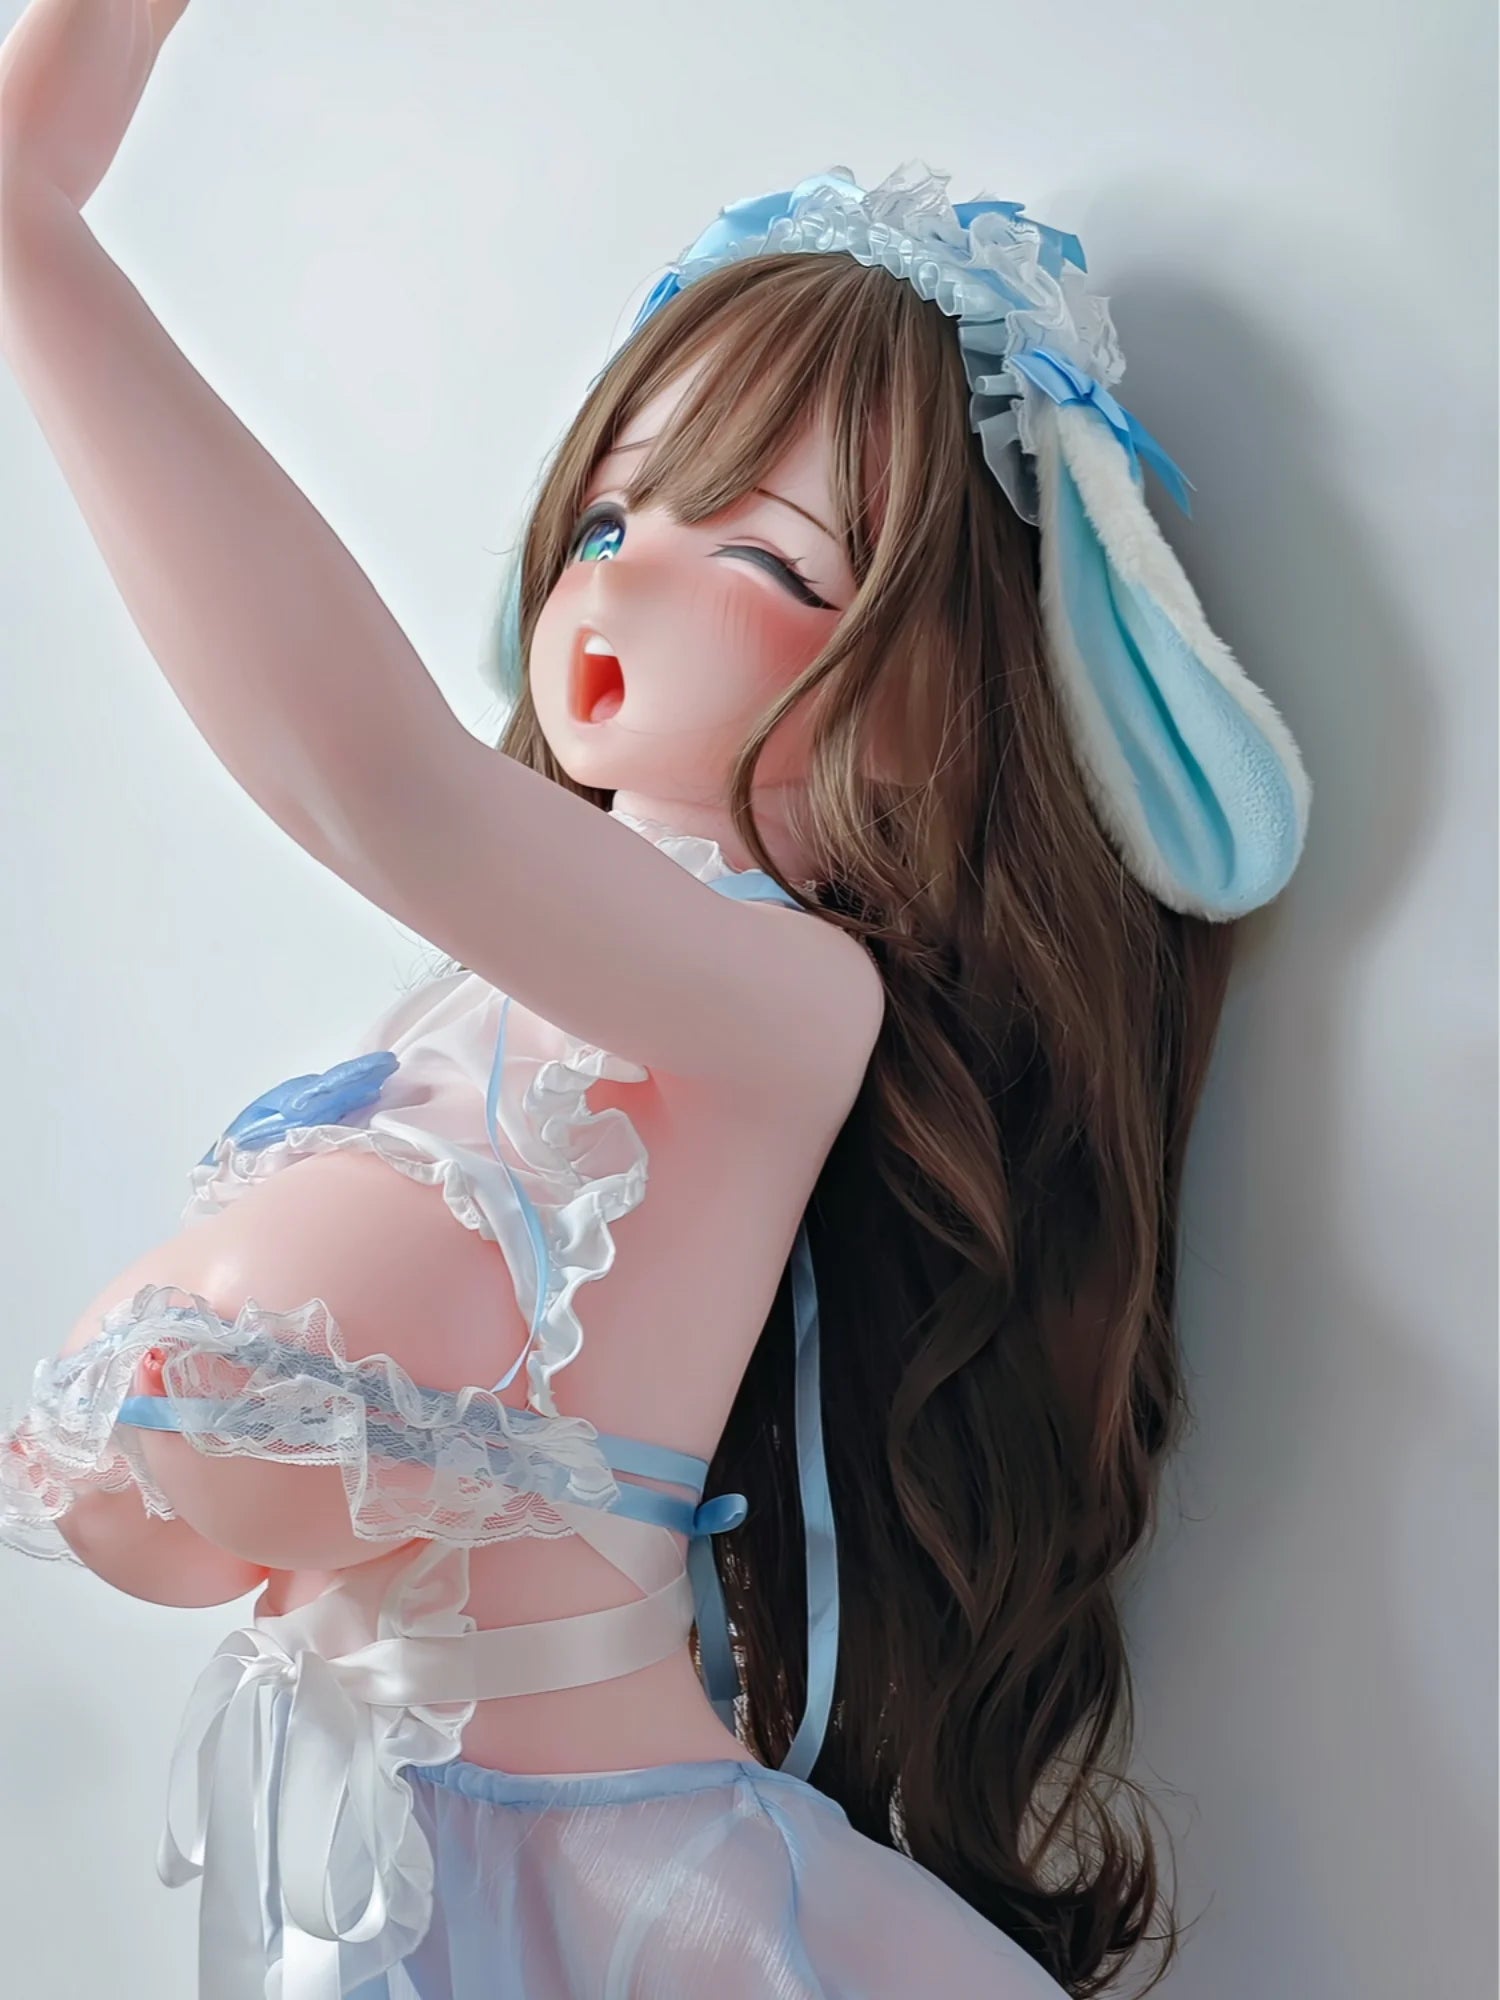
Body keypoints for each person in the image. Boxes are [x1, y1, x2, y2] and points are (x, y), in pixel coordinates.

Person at [0, 5, 1311, 1996]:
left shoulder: (789, 998)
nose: (615, 586)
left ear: (949, 705)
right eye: (608, 521)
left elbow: (367, 774)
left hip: (647, 1911)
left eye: (766, 559)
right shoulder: (470, 1008)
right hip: (375, 1902)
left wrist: (35, 233)